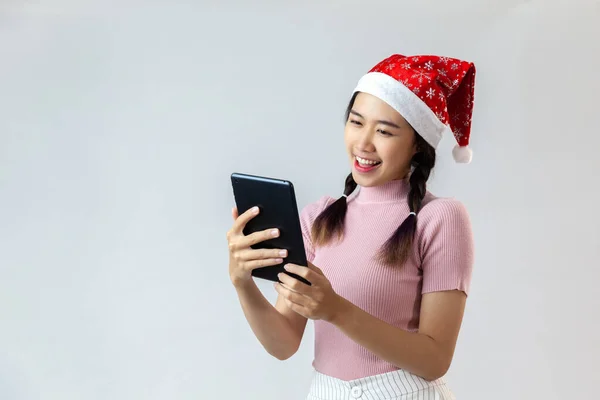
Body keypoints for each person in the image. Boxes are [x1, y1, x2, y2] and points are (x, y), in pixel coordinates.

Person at [227, 53, 477, 400]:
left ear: (417, 144)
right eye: (356, 122)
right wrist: (242, 282)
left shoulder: (440, 218)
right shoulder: (319, 218)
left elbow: (435, 359)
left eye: (385, 131)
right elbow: (284, 343)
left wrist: (336, 310)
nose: (363, 143)